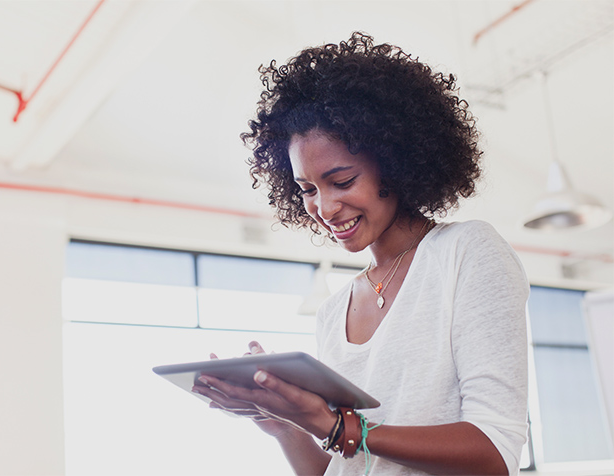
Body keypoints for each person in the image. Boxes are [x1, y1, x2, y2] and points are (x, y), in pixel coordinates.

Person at [192, 32, 529, 476]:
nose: (324, 208)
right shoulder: (334, 312)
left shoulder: (466, 253)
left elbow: (494, 453)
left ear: (395, 162)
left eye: (342, 181)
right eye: (307, 189)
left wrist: (337, 427)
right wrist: (283, 423)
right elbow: (341, 468)